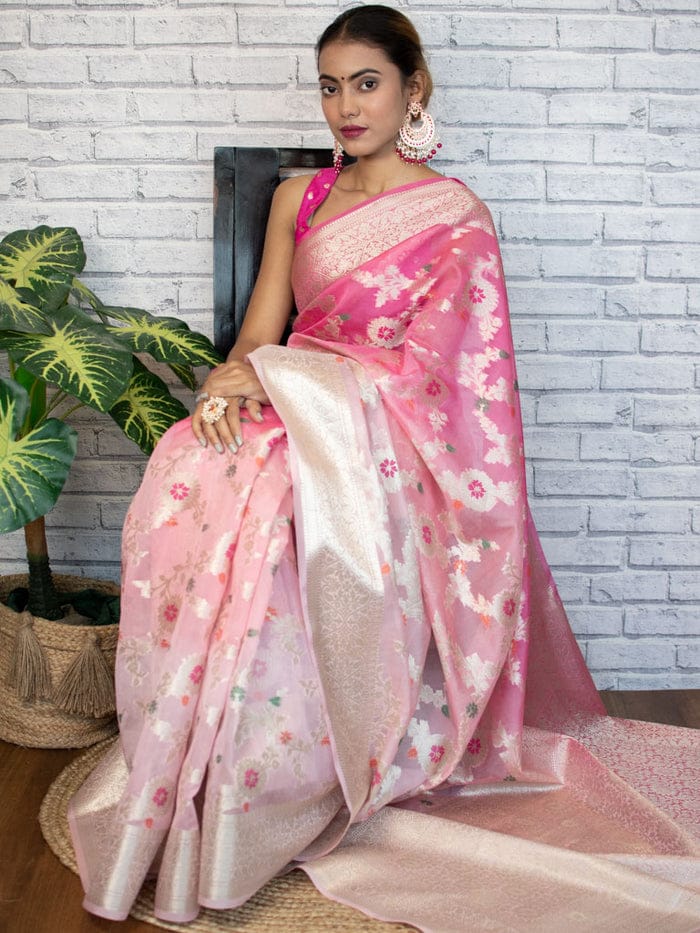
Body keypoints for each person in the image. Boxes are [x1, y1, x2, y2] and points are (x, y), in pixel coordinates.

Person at [68, 6, 699, 930]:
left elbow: (451, 383)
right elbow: (259, 332)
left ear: (414, 90)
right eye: (331, 87)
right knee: (199, 462)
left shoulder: (455, 219)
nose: (346, 106)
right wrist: (230, 383)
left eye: (367, 83)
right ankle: (213, 746)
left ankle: (298, 766)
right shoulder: (299, 199)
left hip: (388, 431)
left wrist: (291, 386)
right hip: (296, 401)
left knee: (276, 493)